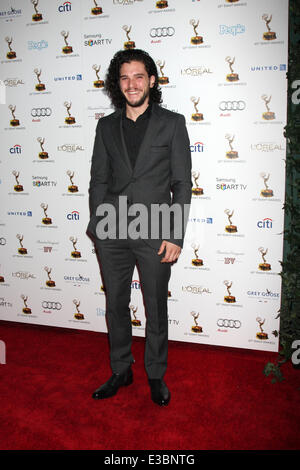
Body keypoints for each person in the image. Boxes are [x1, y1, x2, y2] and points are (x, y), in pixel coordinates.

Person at [87, 49, 192, 406]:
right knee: (116, 303)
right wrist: (98, 226)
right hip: (112, 230)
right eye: (124, 77)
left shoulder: (172, 123)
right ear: (117, 84)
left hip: (156, 231)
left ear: (151, 80)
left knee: (155, 305)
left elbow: (181, 183)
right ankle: (121, 369)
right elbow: (98, 181)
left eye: (138, 76)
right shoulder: (105, 126)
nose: (132, 84)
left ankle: (156, 374)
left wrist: (175, 234)